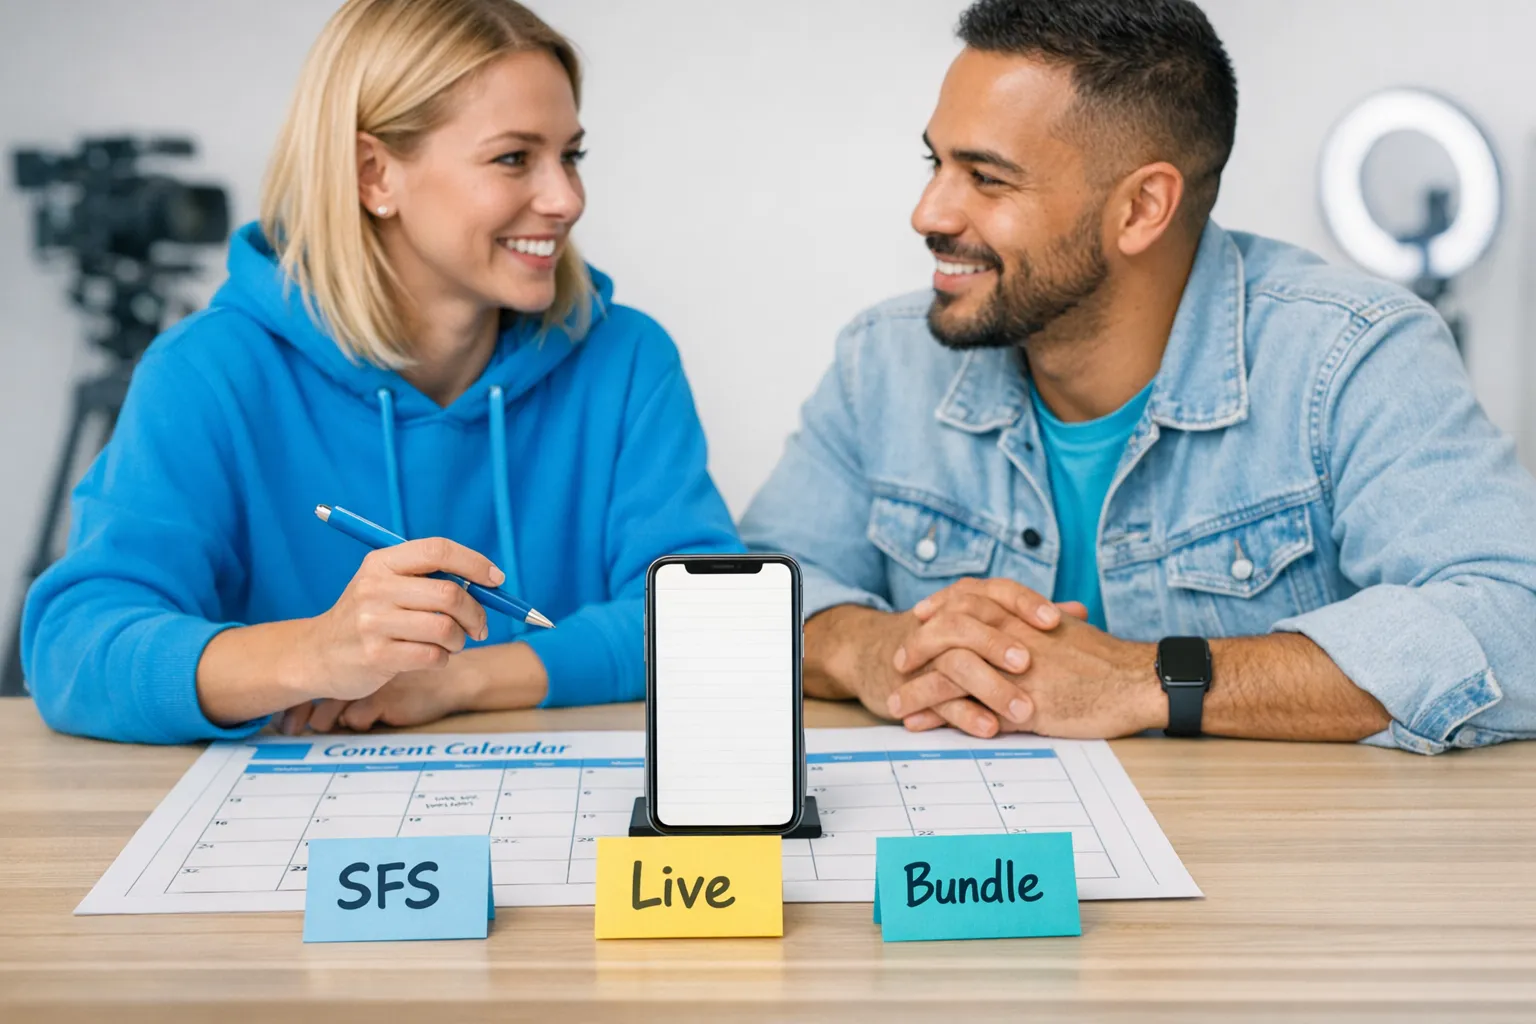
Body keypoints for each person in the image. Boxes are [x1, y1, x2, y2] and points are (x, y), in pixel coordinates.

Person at [740, 0, 1536, 754]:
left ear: (1142, 209)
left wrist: (1144, 679)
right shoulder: (883, 360)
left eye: (986, 178)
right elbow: (744, 601)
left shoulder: (1353, 355)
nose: (929, 213)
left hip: (1274, 874)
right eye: (935, 161)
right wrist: (872, 648)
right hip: (972, 875)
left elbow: (1515, 623)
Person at [21, 0, 740, 744]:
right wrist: (312, 653)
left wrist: (463, 680)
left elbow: (710, 621)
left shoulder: (626, 360)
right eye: (514, 158)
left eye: (572, 156)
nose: (566, 199)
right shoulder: (209, 372)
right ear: (375, 175)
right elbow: (73, 650)